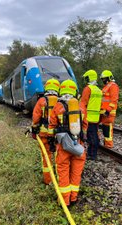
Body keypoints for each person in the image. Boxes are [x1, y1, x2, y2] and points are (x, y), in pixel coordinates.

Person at [48, 79, 88, 207]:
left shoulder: (58, 106)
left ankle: (64, 201)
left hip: (64, 146)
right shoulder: (80, 106)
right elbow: (85, 126)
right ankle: (74, 198)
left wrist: (51, 140)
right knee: (76, 172)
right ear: (75, 91)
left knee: (63, 171)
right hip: (78, 146)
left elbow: (52, 125)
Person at [31, 78, 60, 185]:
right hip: (57, 135)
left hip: (44, 134)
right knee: (58, 156)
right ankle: (59, 179)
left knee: (46, 157)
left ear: (46, 87)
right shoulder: (60, 101)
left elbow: (35, 118)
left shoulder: (42, 101)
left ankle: (48, 181)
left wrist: (34, 131)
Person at [79, 70, 102, 160]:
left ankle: (92, 155)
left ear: (88, 78)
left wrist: (81, 116)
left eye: (86, 78)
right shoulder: (98, 90)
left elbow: (83, 104)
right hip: (96, 117)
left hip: (88, 117)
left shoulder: (88, 89)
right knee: (94, 135)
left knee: (91, 137)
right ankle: (93, 153)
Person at [99, 70, 119, 148]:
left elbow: (114, 99)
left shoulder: (113, 86)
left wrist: (108, 110)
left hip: (109, 112)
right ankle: (104, 143)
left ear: (109, 78)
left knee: (107, 128)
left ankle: (108, 145)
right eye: (102, 79)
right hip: (103, 111)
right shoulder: (107, 86)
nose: (103, 80)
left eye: (104, 78)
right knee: (103, 127)